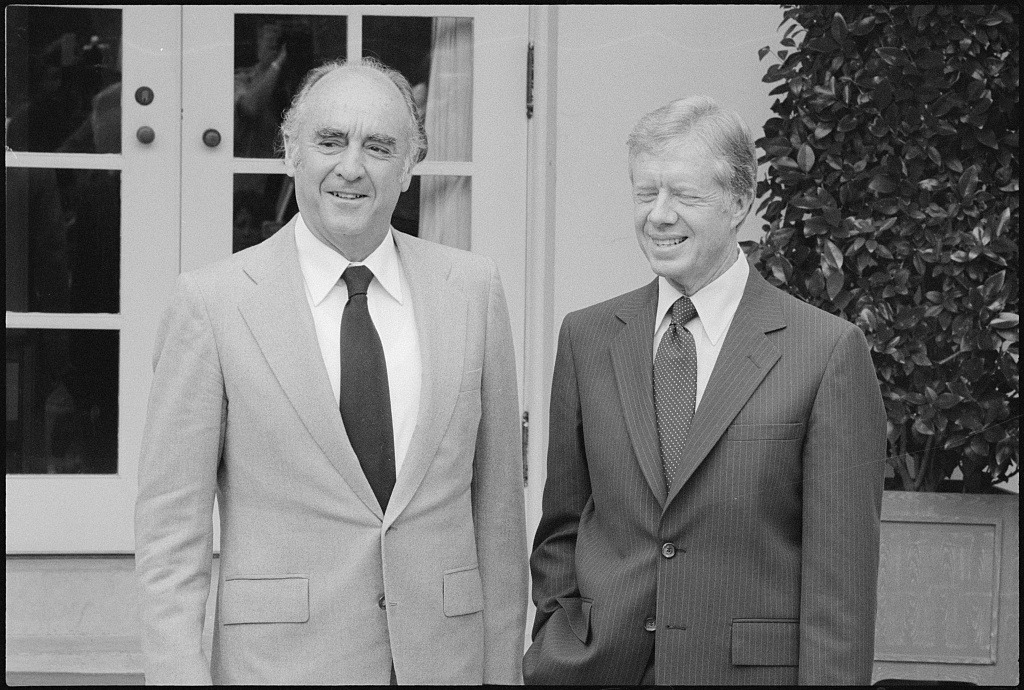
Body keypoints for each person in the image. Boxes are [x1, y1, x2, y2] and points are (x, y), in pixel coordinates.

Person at [135, 57, 527, 685]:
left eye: (379, 146)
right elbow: (169, 538)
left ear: (408, 167)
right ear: (290, 152)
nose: (352, 167)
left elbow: (501, 519)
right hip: (279, 668)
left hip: (443, 663)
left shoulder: (474, 291)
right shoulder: (212, 303)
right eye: (330, 141)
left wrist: (502, 673)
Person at [524, 96, 886, 686]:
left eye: (685, 196)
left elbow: (840, 585)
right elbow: (561, 525)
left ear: (740, 202)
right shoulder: (587, 337)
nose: (659, 215)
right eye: (646, 194)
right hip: (596, 671)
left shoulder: (826, 352)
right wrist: (556, 638)